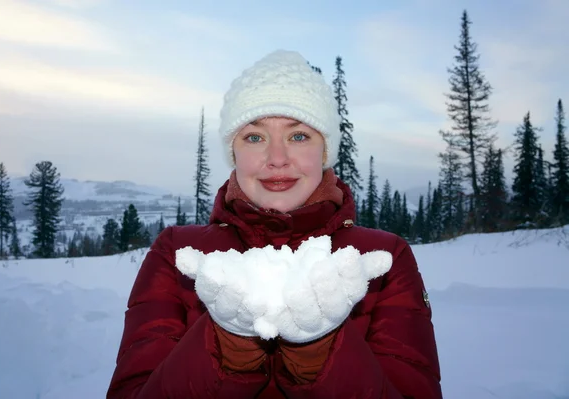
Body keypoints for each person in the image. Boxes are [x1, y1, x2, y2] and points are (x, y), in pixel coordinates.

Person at [106, 50, 442, 399]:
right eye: (255, 137)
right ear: (233, 151)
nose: (277, 159)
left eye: (298, 136)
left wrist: (318, 350)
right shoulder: (177, 253)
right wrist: (229, 344)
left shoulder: (383, 258)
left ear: (324, 151)